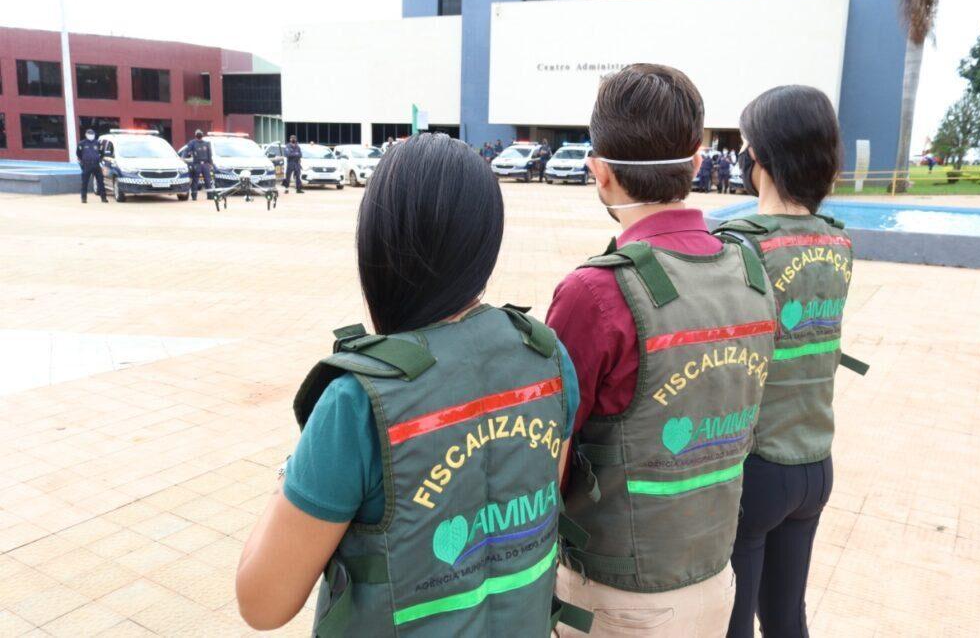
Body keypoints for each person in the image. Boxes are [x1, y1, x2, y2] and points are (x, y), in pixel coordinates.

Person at [237, 133, 583, 637]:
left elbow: (262, 603)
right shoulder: (547, 357)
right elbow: (538, 497)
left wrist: (291, 475)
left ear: (377, 246)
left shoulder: (356, 403)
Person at [548, 63, 776, 637]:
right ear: (697, 162)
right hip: (715, 579)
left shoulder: (595, 293)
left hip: (618, 598)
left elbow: (549, 456)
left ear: (600, 173)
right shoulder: (750, 272)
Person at [714, 86, 861, 638]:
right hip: (815, 463)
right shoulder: (839, 244)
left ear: (760, 156)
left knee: (733, 624)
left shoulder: (736, 247)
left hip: (756, 468)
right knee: (785, 620)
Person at [76, 128, 107, 203]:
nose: (91, 136)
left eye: (92, 134)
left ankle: (103, 198)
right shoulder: (82, 143)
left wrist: (99, 159)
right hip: (86, 165)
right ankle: (84, 198)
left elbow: (102, 153)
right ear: (86, 135)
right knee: (84, 183)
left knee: (101, 182)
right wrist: (83, 161)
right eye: (89, 134)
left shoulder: (97, 143)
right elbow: (78, 153)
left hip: (96, 165)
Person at [183, 129, 213, 200]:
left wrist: (183, 158)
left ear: (195, 135)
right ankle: (199, 196)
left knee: (202, 180)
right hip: (200, 164)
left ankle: (203, 196)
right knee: (200, 180)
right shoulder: (194, 143)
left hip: (201, 164)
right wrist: (210, 164)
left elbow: (209, 154)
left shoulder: (203, 143)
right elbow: (187, 151)